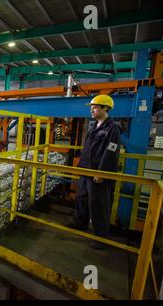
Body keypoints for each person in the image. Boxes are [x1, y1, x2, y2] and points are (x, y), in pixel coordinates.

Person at [68, 95, 121, 250]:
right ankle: (79, 222)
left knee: (98, 204)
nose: (92, 109)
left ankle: (101, 237)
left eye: (96, 107)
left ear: (106, 109)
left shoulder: (112, 129)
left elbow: (111, 152)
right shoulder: (94, 126)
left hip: (98, 174)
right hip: (86, 171)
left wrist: (102, 172)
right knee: (81, 198)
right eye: (91, 107)